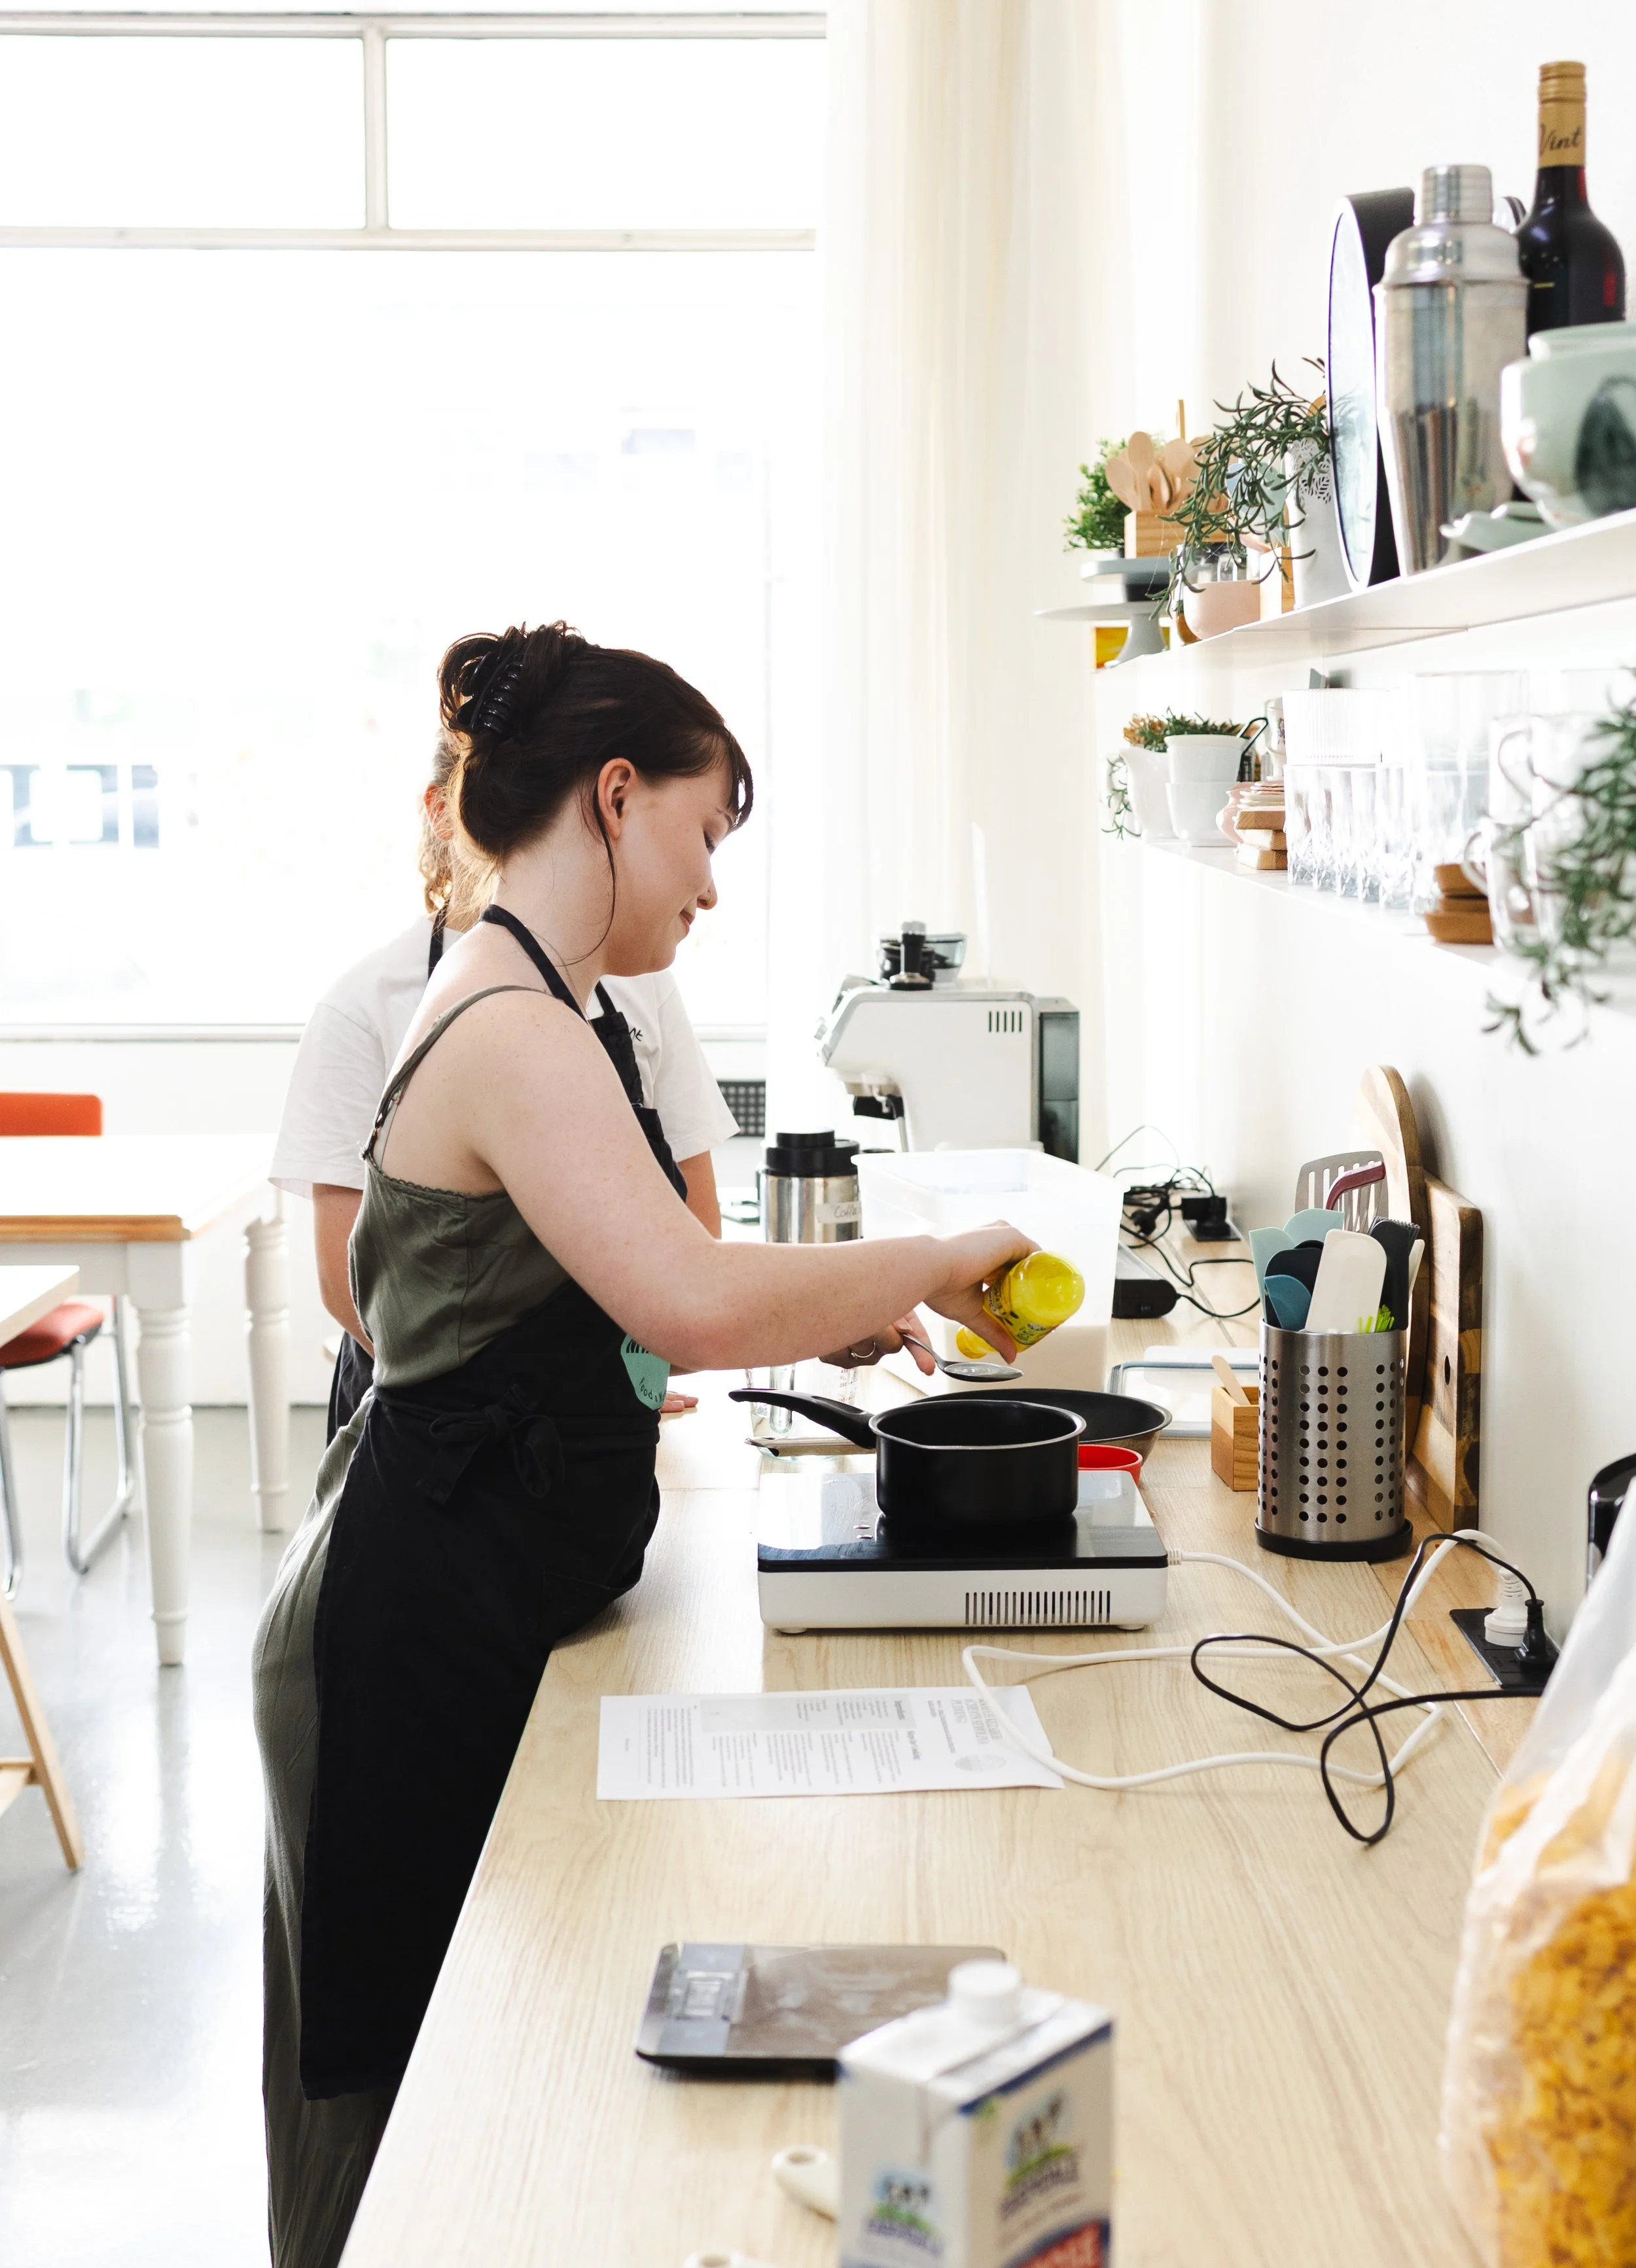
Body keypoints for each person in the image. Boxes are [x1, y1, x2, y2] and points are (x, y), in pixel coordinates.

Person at [251, 620, 1031, 2268]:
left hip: (472, 1590)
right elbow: (685, 1297)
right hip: (406, 1630)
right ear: (615, 798)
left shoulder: (556, 1000)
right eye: (703, 830)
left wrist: (815, 1306)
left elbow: (616, 1290)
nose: (712, 885)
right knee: (387, 2111)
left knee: (462, 2081)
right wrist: (935, 1255)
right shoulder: (511, 1027)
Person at [270, 732, 737, 1437]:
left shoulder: (641, 990)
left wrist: (636, 1373)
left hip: (591, 1413)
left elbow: (695, 1231)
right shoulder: (364, 1005)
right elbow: (352, 1290)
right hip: (434, 1426)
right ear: (442, 813)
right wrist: (523, 1398)